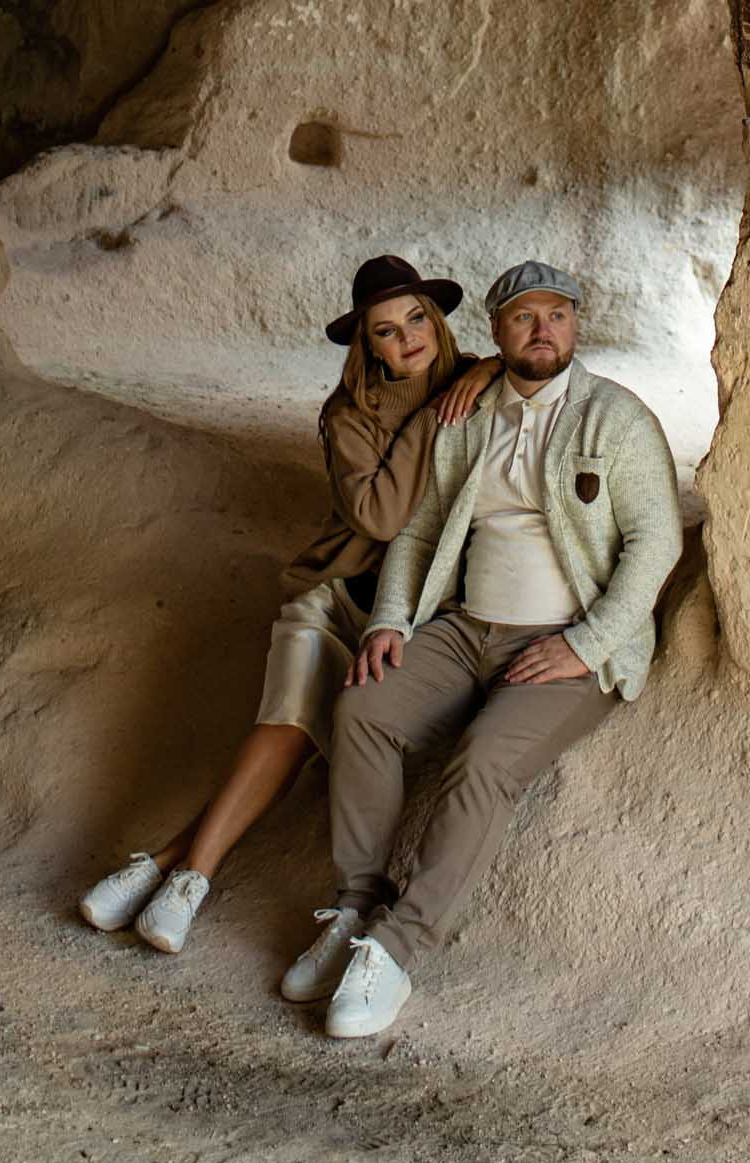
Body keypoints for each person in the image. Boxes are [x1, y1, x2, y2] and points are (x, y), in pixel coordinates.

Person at [293, 259, 683, 1039]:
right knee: (364, 705)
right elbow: (423, 530)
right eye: (524, 317)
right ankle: (354, 905)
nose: (543, 330)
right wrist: (390, 622)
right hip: (467, 626)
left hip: (566, 643)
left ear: (576, 325)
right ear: (495, 332)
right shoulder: (468, 415)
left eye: (558, 316)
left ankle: (396, 948)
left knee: (484, 760)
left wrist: (588, 642)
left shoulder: (618, 417)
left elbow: (655, 540)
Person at [77, 253, 498, 964]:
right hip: (340, 595)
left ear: (437, 319)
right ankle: (191, 883)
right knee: (287, 724)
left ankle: (165, 867)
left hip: (411, 610)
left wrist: (481, 373)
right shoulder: (348, 419)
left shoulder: (477, 381)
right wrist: (433, 417)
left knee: (301, 737)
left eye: (417, 319)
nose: (408, 339)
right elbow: (385, 516)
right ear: (368, 346)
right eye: (387, 331)